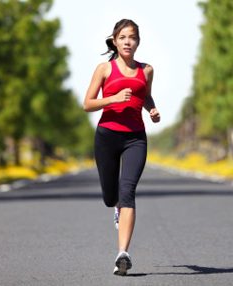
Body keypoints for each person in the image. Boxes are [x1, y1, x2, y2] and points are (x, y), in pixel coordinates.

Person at [83, 19, 160, 276]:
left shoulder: (146, 70)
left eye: (133, 37)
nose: (128, 42)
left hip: (135, 138)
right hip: (106, 137)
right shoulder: (104, 69)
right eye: (123, 37)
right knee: (110, 196)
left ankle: (122, 254)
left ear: (138, 41)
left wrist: (151, 108)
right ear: (115, 41)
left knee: (128, 191)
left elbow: (145, 93)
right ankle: (115, 206)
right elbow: (88, 103)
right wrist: (113, 98)